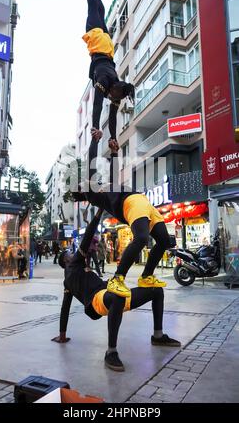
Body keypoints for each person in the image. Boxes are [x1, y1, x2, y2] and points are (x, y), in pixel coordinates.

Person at [51, 208, 180, 372]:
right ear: (67, 261)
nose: (74, 253)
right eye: (69, 254)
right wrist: (98, 213)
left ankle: (158, 336)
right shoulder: (74, 265)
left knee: (156, 291)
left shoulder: (68, 281)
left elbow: (65, 308)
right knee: (117, 296)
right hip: (98, 300)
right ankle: (111, 352)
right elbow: (88, 236)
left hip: (109, 292)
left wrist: (62, 335)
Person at [71, 138, 173, 298]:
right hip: (131, 203)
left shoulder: (107, 187)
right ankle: (117, 278)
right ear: (82, 191)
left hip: (145, 202)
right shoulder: (92, 194)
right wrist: (94, 141)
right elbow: (91, 162)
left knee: (164, 241)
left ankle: (146, 276)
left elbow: (114, 174)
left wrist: (114, 152)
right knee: (141, 238)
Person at [78, 0, 135, 145]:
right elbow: (96, 105)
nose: (112, 99)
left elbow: (112, 118)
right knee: (92, 9)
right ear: (116, 89)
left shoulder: (117, 91)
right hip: (98, 44)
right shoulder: (105, 80)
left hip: (107, 46)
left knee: (99, 12)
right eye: (113, 97)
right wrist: (95, 127)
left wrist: (113, 138)